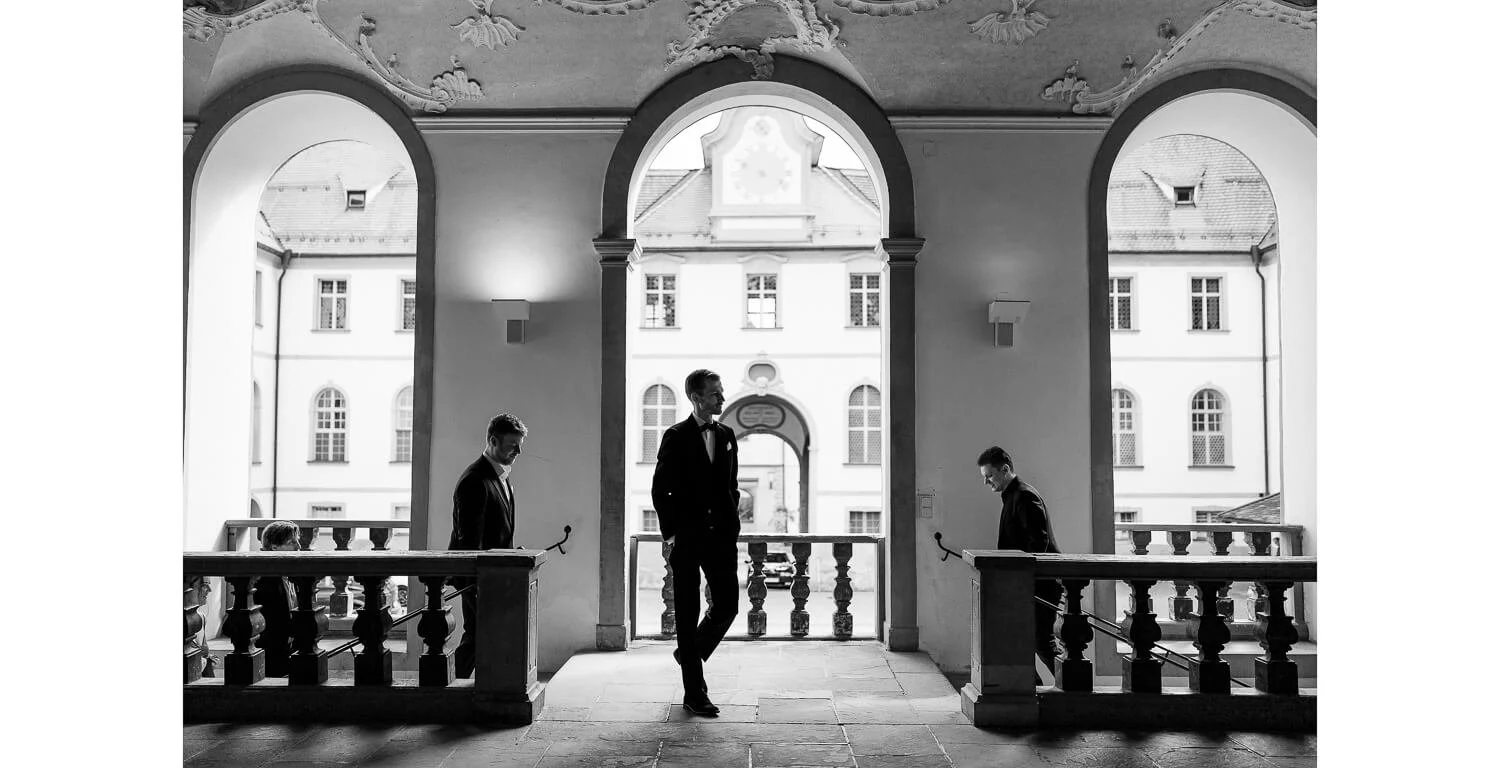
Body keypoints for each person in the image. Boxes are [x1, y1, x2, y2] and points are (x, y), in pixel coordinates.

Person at [652, 369, 740, 716]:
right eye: (715, 393)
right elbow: (661, 488)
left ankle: (689, 650)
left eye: (721, 392)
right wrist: (671, 532)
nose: (721, 398)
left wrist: (732, 522)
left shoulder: (728, 434)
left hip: (721, 537)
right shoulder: (675, 436)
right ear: (697, 397)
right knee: (687, 615)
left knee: (728, 605)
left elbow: (731, 485)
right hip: (688, 537)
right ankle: (695, 693)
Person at [448, 412, 527, 679]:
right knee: (480, 634)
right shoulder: (475, 481)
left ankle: (466, 684)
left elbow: (497, 531)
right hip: (478, 577)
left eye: (519, 444)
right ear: (493, 440)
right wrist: (479, 581)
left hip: (495, 575)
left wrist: (509, 554)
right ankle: (452, 686)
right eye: (512, 444)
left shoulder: (500, 477)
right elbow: (468, 539)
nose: (518, 451)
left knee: (480, 635)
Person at [977, 446, 1064, 684]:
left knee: (1041, 640)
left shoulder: (1025, 496)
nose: (986, 482)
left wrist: (1020, 578)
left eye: (990, 476)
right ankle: (1031, 685)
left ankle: (1070, 683)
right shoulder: (1014, 496)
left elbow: (1039, 542)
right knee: (1026, 638)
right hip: (1026, 583)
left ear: (1005, 470)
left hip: (1038, 585)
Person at [254, 520, 301, 678]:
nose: (298, 547)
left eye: (297, 540)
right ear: (274, 547)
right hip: (270, 654)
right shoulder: (263, 582)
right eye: (292, 542)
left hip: (287, 648)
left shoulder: (289, 577)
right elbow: (272, 625)